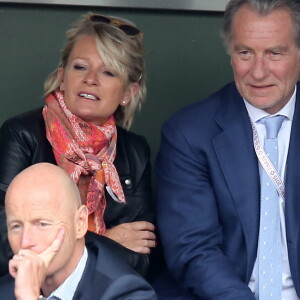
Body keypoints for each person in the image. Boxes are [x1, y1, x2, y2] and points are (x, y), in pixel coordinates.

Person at [155, 0, 300, 299]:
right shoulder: (189, 133)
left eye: (275, 53)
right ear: (230, 54)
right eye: (245, 52)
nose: (258, 72)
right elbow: (194, 248)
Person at [0, 12, 156, 276]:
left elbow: (142, 260)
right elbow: (6, 247)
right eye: (80, 67)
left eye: (108, 71)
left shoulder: (134, 150)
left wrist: (63, 246)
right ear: (62, 76)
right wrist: (106, 241)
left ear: (128, 93)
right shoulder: (22, 136)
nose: (91, 79)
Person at [0, 163, 157, 300]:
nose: (25, 242)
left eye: (42, 224)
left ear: (80, 223)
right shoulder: (6, 290)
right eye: (16, 226)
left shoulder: (127, 293)